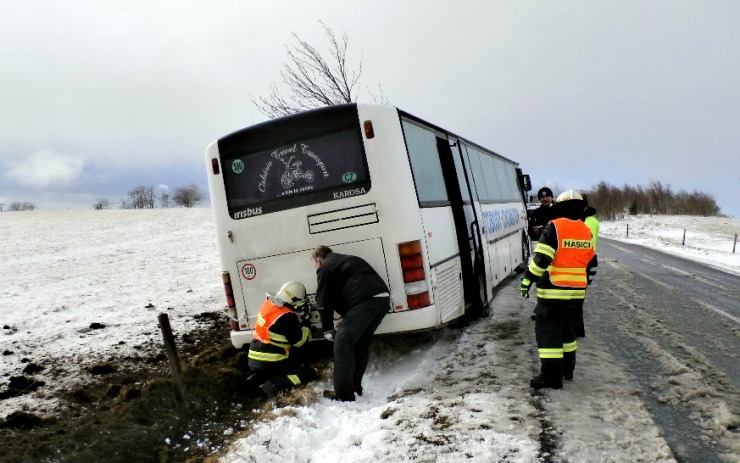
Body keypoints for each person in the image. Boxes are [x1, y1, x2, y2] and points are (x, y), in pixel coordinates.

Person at [520, 189, 596, 389]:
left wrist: (527, 280)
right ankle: (567, 371)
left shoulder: (554, 227)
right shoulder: (585, 230)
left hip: (553, 291)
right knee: (568, 332)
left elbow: (542, 259)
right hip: (577, 292)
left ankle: (551, 378)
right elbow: (592, 262)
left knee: (548, 334)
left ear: (559, 207)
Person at [312, 245, 390, 402]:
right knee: (360, 343)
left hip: (365, 302)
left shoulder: (325, 267)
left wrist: (327, 329)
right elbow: (354, 287)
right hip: (382, 299)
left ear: (318, 261)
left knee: (342, 343)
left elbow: (323, 301)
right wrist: (348, 316)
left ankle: (343, 394)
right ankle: (355, 387)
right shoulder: (347, 260)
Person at [247, 281, 317, 398]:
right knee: (306, 374)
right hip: (272, 359)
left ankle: (253, 381)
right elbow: (300, 342)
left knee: (268, 371)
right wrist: (306, 323)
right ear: (293, 300)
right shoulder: (287, 317)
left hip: (254, 358)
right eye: (300, 300)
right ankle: (273, 385)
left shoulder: (269, 304)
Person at [575, 194, 600, 338]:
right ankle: (577, 329)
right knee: (577, 301)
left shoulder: (588, 221)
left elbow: (587, 245)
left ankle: (577, 330)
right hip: (584, 263)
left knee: (576, 301)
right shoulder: (587, 219)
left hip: (583, 263)